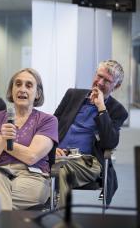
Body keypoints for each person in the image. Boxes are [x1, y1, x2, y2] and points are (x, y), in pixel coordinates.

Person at [0, 68, 58, 210]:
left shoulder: (48, 121)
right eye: (18, 84)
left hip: (31, 177)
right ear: (11, 90)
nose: (22, 89)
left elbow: (31, 157)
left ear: (37, 93)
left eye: (29, 85)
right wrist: (2, 140)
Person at [55, 60, 128, 207]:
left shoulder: (117, 110)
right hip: (57, 154)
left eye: (107, 80)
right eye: (99, 76)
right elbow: (52, 124)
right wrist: (52, 148)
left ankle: (58, 217)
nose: (100, 82)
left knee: (60, 168)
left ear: (117, 86)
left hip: (88, 161)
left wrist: (101, 107)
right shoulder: (72, 95)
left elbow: (109, 143)